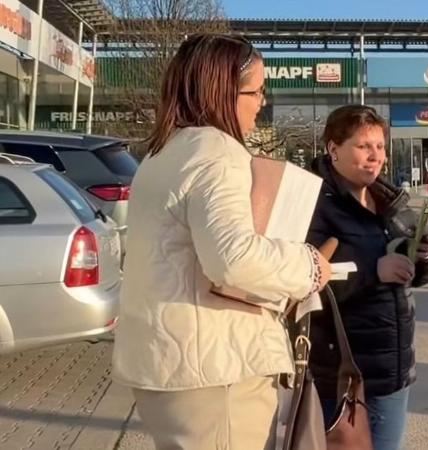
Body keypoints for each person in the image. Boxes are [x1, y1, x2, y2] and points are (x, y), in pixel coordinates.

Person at [111, 34, 331, 450]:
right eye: (256, 91)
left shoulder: (163, 154)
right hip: (215, 370)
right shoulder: (217, 153)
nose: (261, 101)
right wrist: (309, 266)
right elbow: (233, 257)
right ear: (222, 93)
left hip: (166, 364)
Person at [306, 105, 428, 450]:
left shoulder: (389, 200)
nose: (375, 157)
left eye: (380, 146)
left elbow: (414, 271)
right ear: (333, 149)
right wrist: (373, 271)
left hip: (391, 368)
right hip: (340, 374)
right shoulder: (313, 203)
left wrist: (427, 255)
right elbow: (303, 279)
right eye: (363, 146)